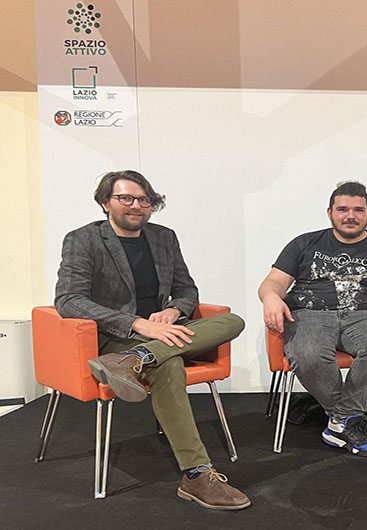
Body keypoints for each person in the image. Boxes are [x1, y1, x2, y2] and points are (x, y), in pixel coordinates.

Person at [55, 170, 250, 510]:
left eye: (143, 199)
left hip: (166, 331)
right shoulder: (83, 239)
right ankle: (196, 474)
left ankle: (138, 359)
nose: (136, 205)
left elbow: (186, 289)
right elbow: (68, 300)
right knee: (168, 363)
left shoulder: (164, 237)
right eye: (126, 198)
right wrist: (137, 323)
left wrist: (173, 311)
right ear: (106, 203)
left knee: (233, 320)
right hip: (117, 338)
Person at [258, 181, 367, 457]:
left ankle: (340, 421)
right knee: (308, 354)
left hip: (362, 315)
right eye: (343, 209)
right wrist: (270, 297)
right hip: (308, 314)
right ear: (330, 213)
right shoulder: (305, 243)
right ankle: (349, 419)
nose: (350, 215)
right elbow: (273, 282)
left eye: (358, 210)